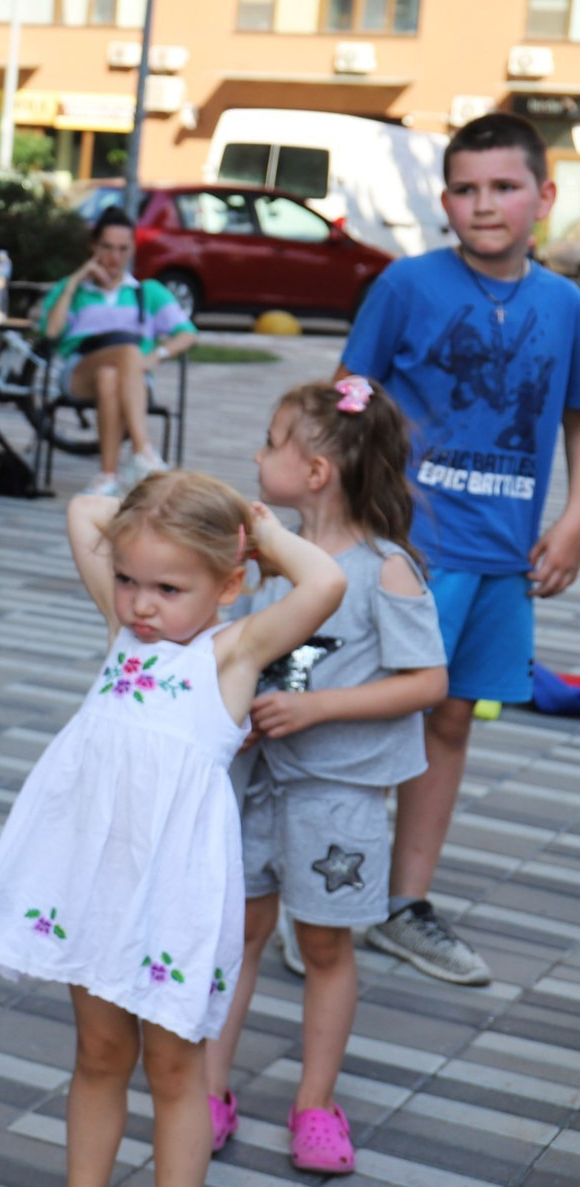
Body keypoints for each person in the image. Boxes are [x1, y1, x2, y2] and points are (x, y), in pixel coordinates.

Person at [0, 475, 343, 1187]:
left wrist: (261, 534)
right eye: (129, 579)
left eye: (168, 588)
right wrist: (174, 500)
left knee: (174, 1067)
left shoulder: (231, 652)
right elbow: (84, 508)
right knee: (99, 1053)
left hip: (174, 895)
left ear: (229, 585)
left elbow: (324, 582)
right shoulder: (123, 631)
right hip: (95, 885)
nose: (140, 602)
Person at [337, 110, 580, 986]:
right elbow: (349, 397)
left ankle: (404, 904)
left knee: (449, 718)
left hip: (502, 557)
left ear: (543, 197)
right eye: (467, 189)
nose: (486, 205)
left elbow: (575, 418)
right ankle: (327, 897)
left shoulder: (565, 304)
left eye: (505, 187)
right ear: (445, 201)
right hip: (410, 549)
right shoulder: (407, 285)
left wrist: (574, 518)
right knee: (368, 714)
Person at [202, 377, 447, 1174]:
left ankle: (316, 1101)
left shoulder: (387, 570)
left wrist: (315, 709)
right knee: (236, 937)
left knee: (326, 945)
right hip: (259, 789)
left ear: (315, 471)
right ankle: (209, 1089)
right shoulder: (267, 565)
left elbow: (428, 681)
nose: (255, 454)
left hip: (336, 802)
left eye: (272, 441)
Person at [42, 208, 197, 496]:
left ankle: (108, 476)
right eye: (107, 247)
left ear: (133, 249)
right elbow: (51, 332)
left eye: (123, 249)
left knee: (109, 376)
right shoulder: (73, 289)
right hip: (79, 371)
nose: (114, 257)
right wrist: (75, 281)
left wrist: (154, 357)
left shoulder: (146, 292)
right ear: (93, 247)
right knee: (125, 351)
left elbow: (187, 334)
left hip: (132, 378)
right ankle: (142, 453)